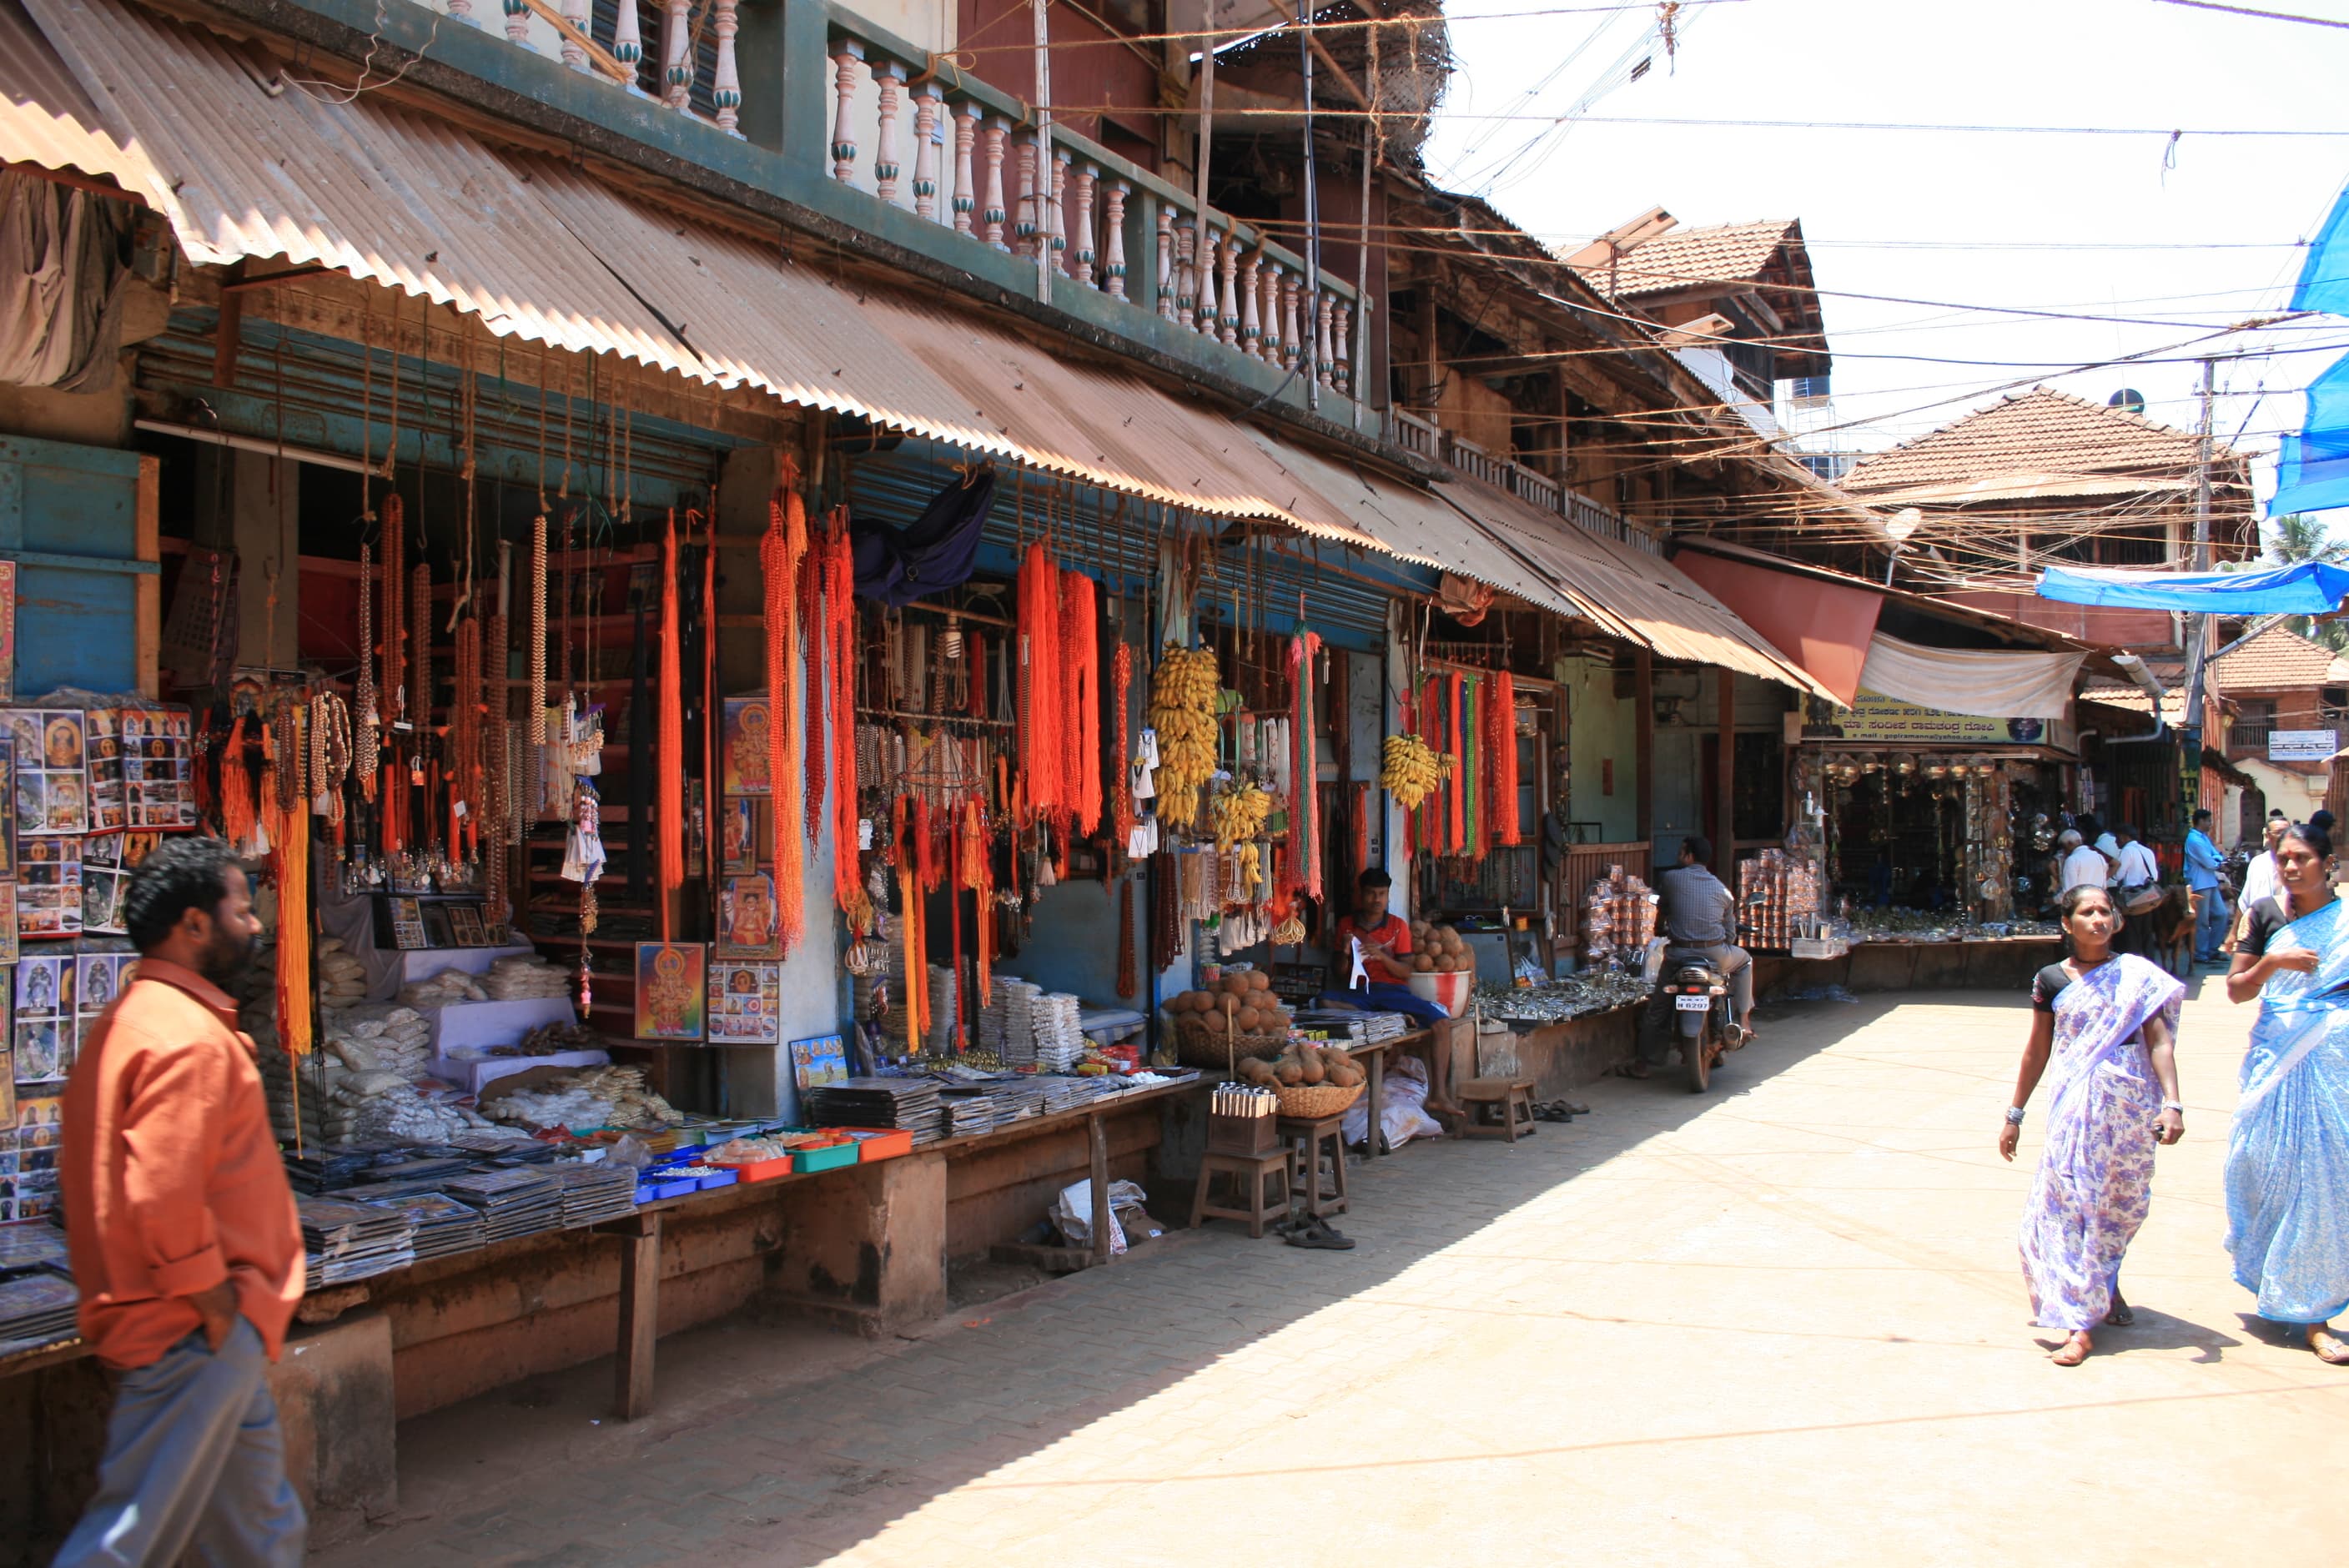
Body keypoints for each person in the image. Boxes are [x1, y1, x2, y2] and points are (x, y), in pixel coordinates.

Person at [57, 837, 306, 1566]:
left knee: (259, 1529)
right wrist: (216, 1307)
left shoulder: (135, 1020)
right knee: (124, 1541)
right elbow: (162, 1193)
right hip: (192, 1328)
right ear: (194, 924)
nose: (255, 925)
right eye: (241, 909)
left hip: (207, 1324)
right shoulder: (184, 1036)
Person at [2002, 883, 2186, 1365]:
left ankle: (2104, 1283)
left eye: (2106, 911)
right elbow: (2038, 1049)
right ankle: (2078, 1324)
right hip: (2074, 1105)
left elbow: (2158, 1041)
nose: (2099, 919)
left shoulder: (2136, 975)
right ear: (2068, 923)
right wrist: (2015, 1114)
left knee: (2115, 1204)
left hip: (2128, 1107)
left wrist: (2173, 1103)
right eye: (2088, 912)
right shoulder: (2051, 980)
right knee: (2067, 1204)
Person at [2221, 822, 2349, 1365]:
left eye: (2302, 858)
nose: (2291, 867)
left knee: (2322, 1180)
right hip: (2274, 1060)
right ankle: (2276, 1280)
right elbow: (2235, 990)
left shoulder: (2345, 922)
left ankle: (2314, 1315)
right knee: (2258, 1164)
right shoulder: (2265, 914)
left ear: (2327, 863)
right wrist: (2273, 963)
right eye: (2283, 859)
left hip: (2335, 1063)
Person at [1320, 867, 1446, 1029]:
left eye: (1382, 894)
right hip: (1360, 994)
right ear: (1361, 894)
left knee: (1441, 1022)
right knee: (1323, 1000)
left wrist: (1382, 957)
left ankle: (1387, 1015)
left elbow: (1406, 972)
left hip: (1394, 993)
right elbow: (1338, 973)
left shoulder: (1398, 926)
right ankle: (1390, 1017)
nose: (1377, 899)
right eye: (1371, 893)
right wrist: (1344, 953)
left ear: (1388, 895)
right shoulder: (1346, 925)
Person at [1655, 834, 1753, 1036]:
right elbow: (1730, 935)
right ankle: (1744, 1022)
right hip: (1715, 955)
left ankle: (1649, 1052)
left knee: (1657, 1010)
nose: (1678, 856)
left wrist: (1659, 929)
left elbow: (1663, 909)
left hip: (1678, 955)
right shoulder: (1723, 891)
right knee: (1745, 962)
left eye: (1681, 852)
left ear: (1689, 856)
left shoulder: (1671, 878)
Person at [2110, 823, 2162, 958]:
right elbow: (2155, 876)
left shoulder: (2127, 851)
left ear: (2124, 837)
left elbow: (2118, 876)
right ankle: (2150, 965)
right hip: (2147, 899)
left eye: (2117, 838)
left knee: (2132, 938)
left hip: (2132, 901)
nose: (2116, 842)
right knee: (2147, 936)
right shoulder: (2147, 851)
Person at [2184, 809, 2229, 965]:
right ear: (2201, 821)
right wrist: (2218, 862)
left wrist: (2217, 860)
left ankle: (2213, 949)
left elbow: (2215, 855)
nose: (2211, 824)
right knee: (2202, 920)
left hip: (2210, 881)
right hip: (2199, 883)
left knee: (2221, 914)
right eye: (2209, 821)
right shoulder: (2193, 840)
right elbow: (2209, 861)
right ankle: (2201, 953)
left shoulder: (2203, 838)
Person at [2056, 829, 2106, 896]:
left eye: (2064, 847)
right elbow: (2104, 885)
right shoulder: (2099, 857)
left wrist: (2054, 900)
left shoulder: (2072, 860)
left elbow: (2069, 890)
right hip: (2098, 898)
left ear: (2070, 844)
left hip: (2081, 899)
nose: (2064, 851)